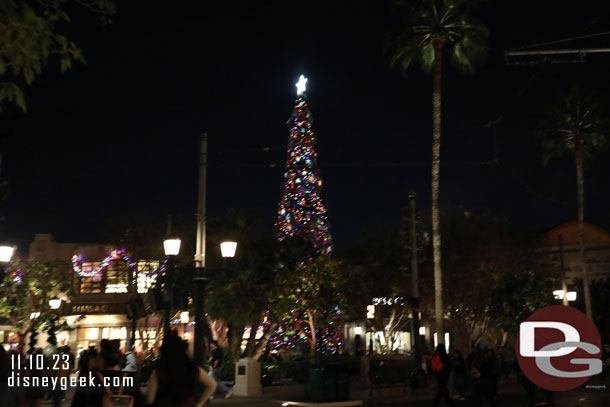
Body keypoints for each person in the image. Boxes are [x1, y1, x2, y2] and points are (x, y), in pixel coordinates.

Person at [145, 333, 216, 407]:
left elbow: (150, 398)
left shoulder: (159, 370)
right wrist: (199, 404)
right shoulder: (193, 368)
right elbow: (212, 385)